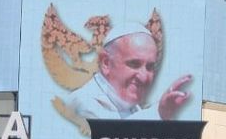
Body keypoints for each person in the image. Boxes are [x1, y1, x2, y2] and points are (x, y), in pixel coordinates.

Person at [62, 27, 193, 121]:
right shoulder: (81, 103)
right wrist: (160, 112)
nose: (144, 77)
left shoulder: (130, 106)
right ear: (106, 63)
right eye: (134, 64)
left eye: (150, 67)